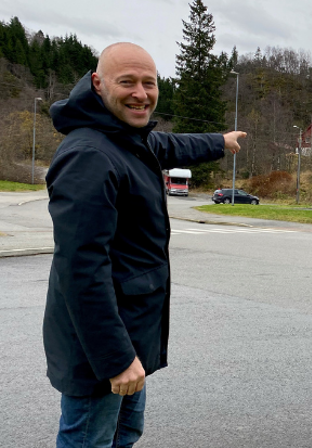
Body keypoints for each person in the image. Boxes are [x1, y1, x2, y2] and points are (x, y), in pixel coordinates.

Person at [43, 42, 245, 447]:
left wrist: (219, 142)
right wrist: (116, 359)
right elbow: (81, 269)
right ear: (98, 84)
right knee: (90, 440)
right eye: (127, 82)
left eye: (149, 83)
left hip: (127, 338)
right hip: (103, 350)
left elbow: (170, 146)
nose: (141, 93)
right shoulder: (90, 155)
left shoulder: (124, 138)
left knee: (124, 434)